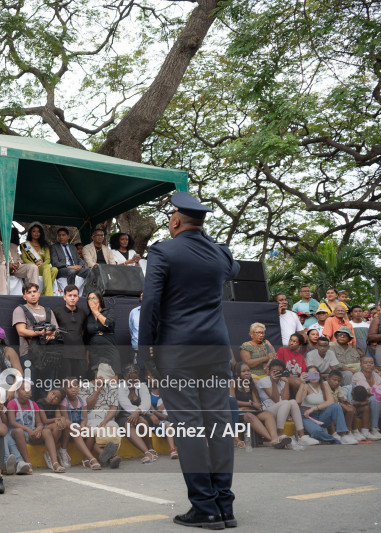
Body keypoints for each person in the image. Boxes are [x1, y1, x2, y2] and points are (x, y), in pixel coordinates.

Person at [137, 191, 239, 529]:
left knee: (190, 426)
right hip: (215, 349)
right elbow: (233, 267)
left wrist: (145, 351)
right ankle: (225, 505)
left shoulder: (163, 251)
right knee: (219, 424)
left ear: (176, 221)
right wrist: (205, 237)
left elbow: (151, 303)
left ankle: (204, 507)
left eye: (171, 219)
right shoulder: (220, 254)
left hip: (177, 351)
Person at [7, 381, 66, 473]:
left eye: (29, 390)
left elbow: (39, 422)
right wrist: (27, 429)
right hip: (17, 432)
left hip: (31, 431)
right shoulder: (12, 403)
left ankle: (55, 462)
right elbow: (12, 422)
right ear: (17, 392)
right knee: (19, 431)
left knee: (46, 432)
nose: (27, 392)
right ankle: (27, 463)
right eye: (23, 389)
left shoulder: (33, 404)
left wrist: (39, 428)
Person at [255, 359, 318, 446]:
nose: (277, 373)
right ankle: (280, 435)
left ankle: (302, 436)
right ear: (269, 371)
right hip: (267, 411)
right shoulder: (264, 381)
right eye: (274, 371)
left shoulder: (282, 380)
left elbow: (285, 398)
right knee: (286, 403)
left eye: (279, 372)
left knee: (292, 401)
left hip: (282, 409)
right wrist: (273, 382)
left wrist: (287, 382)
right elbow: (276, 399)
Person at [12, 282, 60, 389]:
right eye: (29, 293)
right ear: (24, 296)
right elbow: (21, 331)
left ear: (39, 294)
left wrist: (52, 334)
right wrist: (41, 332)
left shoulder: (48, 310)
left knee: (47, 390)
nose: (32, 294)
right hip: (28, 354)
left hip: (48, 355)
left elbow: (56, 330)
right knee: (29, 390)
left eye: (34, 292)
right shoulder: (19, 310)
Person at [230, 363, 288, 448]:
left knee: (268, 415)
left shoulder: (251, 384)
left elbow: (257, 405)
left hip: (251, 411)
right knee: (249, 416)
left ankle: (275, 438)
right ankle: (274, 440)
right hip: (239, 414)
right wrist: (250, 404)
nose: (247, 373)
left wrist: (248, 406)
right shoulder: (233, 383)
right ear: (237, 373)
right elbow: (233, 402)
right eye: (243, 371)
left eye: (248, 371)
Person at [296, 365, 358, 444]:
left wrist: (314, 408)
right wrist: (302, 383)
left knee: (336, 406)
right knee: (316, 432)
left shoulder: (324, 385)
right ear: (306, 375)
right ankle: (334, 440)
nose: (313, 376)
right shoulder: (305, 386)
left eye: (315, 373)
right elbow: (298, 401)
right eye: (310, 374)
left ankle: (343, 436)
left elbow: (330, 401)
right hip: (307, 416)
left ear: (319, 375)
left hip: (322, 414)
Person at [0, 224, 37, 295]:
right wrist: (6, 264)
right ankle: (2, 296)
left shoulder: (13, 245)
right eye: (3, 230)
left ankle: (33, 293)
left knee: (33, 267)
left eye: (8, 231)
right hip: (0, 267)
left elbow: (19, 260)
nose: (6, 233)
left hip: (14, 268)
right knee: (2, 267)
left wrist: (17, 264)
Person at [52, 285, 89, 379]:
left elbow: (83, 332)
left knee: (79, 382)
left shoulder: (83, 313)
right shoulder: (57, 312)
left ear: (78, 297)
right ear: (64, 297)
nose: (72, 298)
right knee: (65, 383)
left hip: (80, 354)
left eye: (75, 295)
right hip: (63, 354)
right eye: (70, 295)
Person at [350, 354, 381, 440]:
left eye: (371, 363)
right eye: (366, 363)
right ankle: (374, 429)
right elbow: (369, 391)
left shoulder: (376, 375)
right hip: (360, 403)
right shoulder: (358, 375)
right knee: (375, 399)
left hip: (374, 402)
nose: (369, 364)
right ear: (361, 365)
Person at [85, 291, 121, 376]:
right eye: (89, 299)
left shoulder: (109, 311)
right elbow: (86, 338)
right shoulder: (88, 317)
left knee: (114, 375)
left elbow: (108, 324)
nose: (91, 300)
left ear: (100, 300)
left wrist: (96, 312)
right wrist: (87, 356)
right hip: (95, 350)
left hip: (109, 346)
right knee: (97, 377)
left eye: (94, 298)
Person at [20, 223, 58, 296]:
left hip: (42, 267)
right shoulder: (25, 245)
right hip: (32, 268)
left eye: (38, 231)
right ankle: (49, 295)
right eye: (34, 231)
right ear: (30, 233)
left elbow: (48, 259)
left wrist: (42, 264)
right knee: (47, 267)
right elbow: (24, 258)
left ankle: (44, 293)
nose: (36, 233)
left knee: (55, 269)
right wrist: (34, 264)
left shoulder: (45, 245)